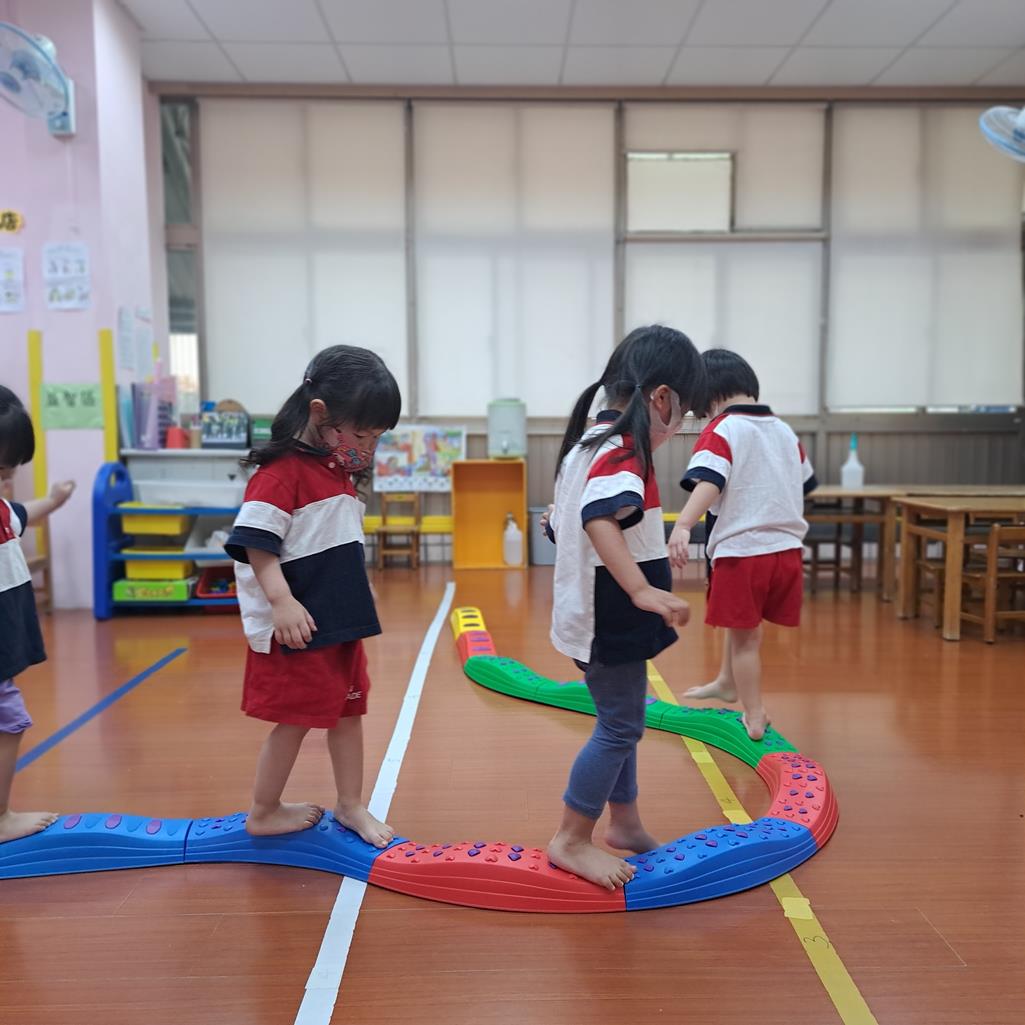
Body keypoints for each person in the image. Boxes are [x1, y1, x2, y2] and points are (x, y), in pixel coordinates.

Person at [544, 325, 703, 890]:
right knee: (619, 726)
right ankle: (570, 838)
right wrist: (640, 589)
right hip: (606, 616)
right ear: (661, 399)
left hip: (590, 612)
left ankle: (626, 822)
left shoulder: (590, 443)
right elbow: (598, 518)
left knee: (622, 718)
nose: (680, 425)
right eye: (684, 413)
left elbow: (559, 520)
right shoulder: (623, 452)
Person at [225, 345, 400, 843]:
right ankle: (264, 810)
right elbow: (256, 544)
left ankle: (351, 805)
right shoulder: (279, 473)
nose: (368, 447)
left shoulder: (335, 470)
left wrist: (358, 588)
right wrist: (281, 602)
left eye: (377, 436)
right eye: (362, 435)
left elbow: (333, 540)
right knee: (295, 721)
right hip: (299, 628)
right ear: (320, 413)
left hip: (337, 623)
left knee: (348, 713)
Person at [667, 349, 816, 741]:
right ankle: (725, 681)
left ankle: (754, 713)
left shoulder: (723, 429)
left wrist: (683, 524)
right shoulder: (784, 431)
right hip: (786, 551)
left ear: (708, 395)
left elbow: (710, 481)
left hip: (744, 552)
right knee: (745, 625)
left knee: (745, 639)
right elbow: (804, 482)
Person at [0, 385, 75, 843]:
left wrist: (56, 500)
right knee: (9, 721)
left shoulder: (3, 512)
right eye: (0, 471)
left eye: (9, 472)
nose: (6, 481)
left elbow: (27, 512)